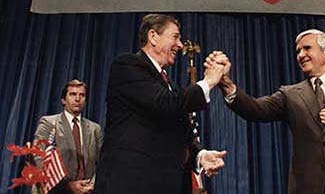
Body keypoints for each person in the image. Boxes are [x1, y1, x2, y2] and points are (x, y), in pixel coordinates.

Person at [208, 29, 325, 194]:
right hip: (308, 187)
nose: (301, 55)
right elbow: (256, 110)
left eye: (307, 48)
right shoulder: (290, 94)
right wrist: (226, 84)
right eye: (298, 51)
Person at [94, 14, 227, 194]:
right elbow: (165, 105)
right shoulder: (127, 66)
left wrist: (201, 156)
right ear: (153, 36)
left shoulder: (170, 86)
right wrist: (209, 81)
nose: (180, 45)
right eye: (175, 37)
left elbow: (180, 134)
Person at [34, 79, 103, 194]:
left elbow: (103, 162)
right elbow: (38, 155)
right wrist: (67, 186)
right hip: (59, 190)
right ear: (63, 100)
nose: (77, 99)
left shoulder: (95, 129)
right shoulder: (49, 123)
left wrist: (91, 185)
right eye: (73, 94)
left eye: (82, 95)